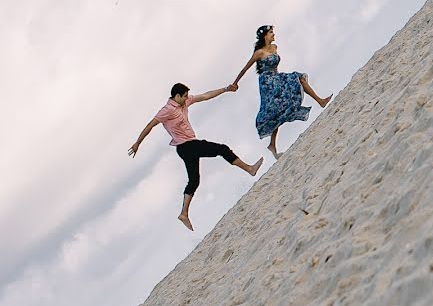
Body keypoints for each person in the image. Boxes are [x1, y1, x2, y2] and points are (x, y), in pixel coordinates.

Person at [128, 82, 263, 232]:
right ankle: (250, 169)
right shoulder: (166, 110)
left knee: (194, 180)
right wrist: (137, 143)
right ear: (177, 96)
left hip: (187, 147)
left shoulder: (184, 102)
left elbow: (205, 96)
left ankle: (183, 214)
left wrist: (226, 89)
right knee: (222, 149)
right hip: (186, 146)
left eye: (187, 96)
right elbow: (150, 125)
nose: (187, 98)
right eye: (184, 96)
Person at [230, 25, 332, 159]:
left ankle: (320, 101)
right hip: (267, 83)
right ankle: (320, 101)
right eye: (271, 33)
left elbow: (275, 66)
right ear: (265, 36)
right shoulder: (259, 53)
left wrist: (280, 79)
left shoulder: (274, 47)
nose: (273, 35)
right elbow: (245, 69)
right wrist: (235, 83)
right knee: (276, 110)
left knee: (297, 81)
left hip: (276, 77)